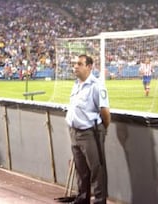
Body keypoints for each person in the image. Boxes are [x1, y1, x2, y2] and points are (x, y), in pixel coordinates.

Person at [65, 54, 111, 204]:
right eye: (75, 64)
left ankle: (99, 201)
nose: (75, 67)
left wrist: (100, 130)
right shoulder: (76, 84)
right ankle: (82, 199)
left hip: (90, 133)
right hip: (74, 133)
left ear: (89, 67)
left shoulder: (97, 86)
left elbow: (105, 112)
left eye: (79, 64)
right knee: (81, 169)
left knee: (97, 170)